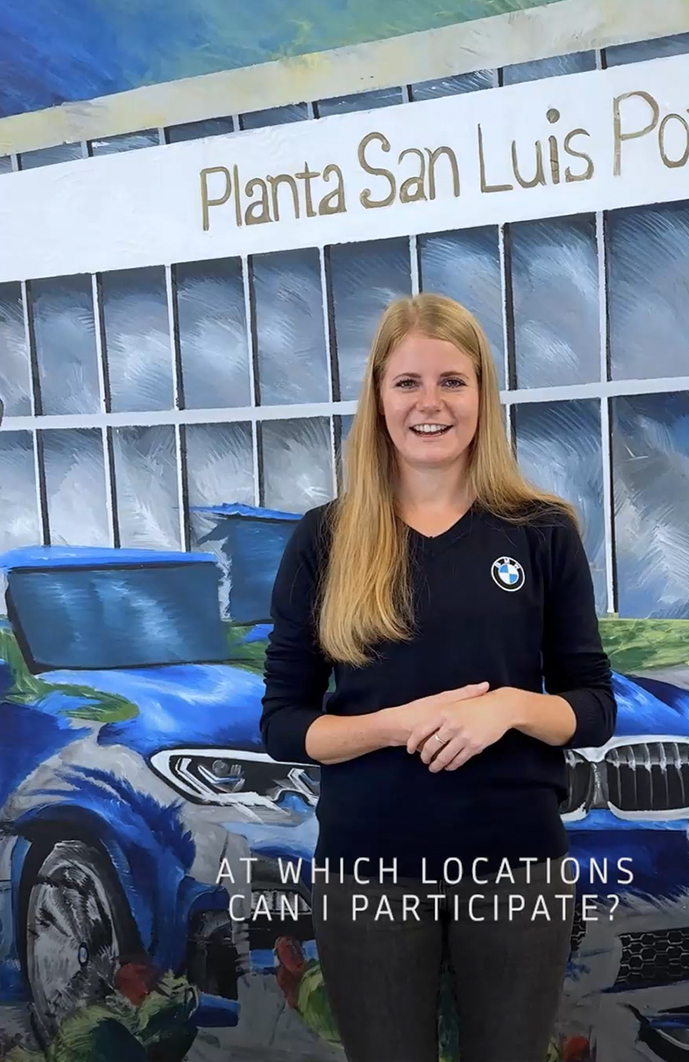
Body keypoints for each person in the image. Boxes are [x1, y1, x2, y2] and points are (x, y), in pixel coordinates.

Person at [260, 292, 616, 1062]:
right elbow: (285, 724)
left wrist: (511, 709)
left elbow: (593, 708)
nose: (431, 404)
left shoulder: (542, 531)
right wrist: (396, 725)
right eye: (408, 383)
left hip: (517, 868)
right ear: (378, 396)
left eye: (453, 382)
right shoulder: (326, 539)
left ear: (483, 394)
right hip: (368, 871)